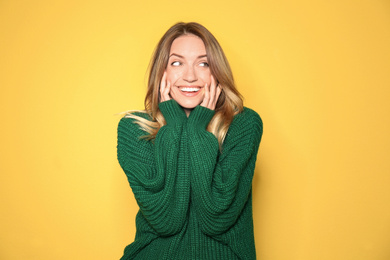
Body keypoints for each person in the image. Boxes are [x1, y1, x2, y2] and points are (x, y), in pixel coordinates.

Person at [117, 22, 263, 260]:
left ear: (216, 72)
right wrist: (175, 125)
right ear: (161, 72)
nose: (190, 76)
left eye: (203, 63)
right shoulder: (134, 129)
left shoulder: (244, 125)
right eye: (177, 62)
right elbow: (167, 221)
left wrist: (196, 127)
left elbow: (215, 217)